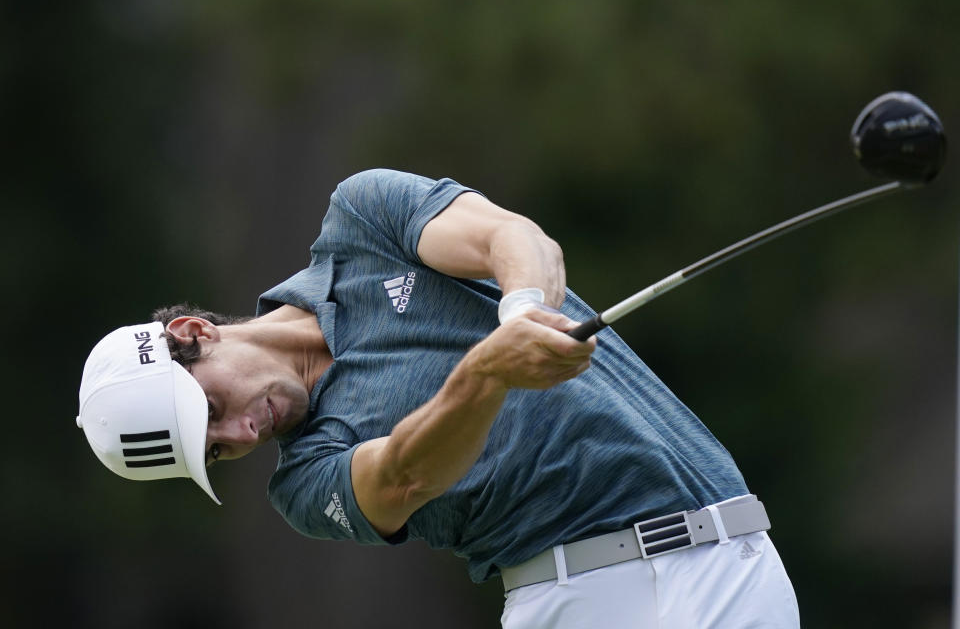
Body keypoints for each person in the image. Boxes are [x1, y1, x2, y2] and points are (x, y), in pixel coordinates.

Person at [77, 168, 800, 628]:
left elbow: (511, 238)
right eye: (216, 449)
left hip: (724, 554)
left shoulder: (361, 226)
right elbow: (403, 475)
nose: (239, 431)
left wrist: (519, 313)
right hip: (571, 601)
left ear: (195, 332)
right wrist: (487, 373)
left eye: (209, 409)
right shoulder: (303, 483)